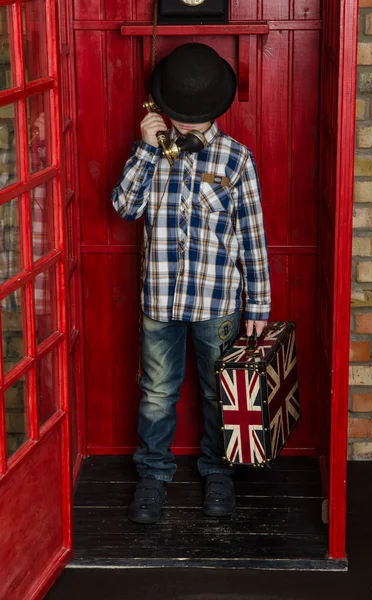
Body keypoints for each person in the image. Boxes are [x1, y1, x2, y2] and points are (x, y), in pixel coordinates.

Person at [111, 43, 271, 524]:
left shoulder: (236, 160)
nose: (183, 126)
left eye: (193, 119)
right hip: (159, 300)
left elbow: (253, 236)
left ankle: (218, 471)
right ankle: (154, 475)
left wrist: (258, 307)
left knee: (215, 391)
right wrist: (144, 148)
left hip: (217, 303)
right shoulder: (151, 154)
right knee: (157, 392)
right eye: (176, 116)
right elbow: (124, 207)